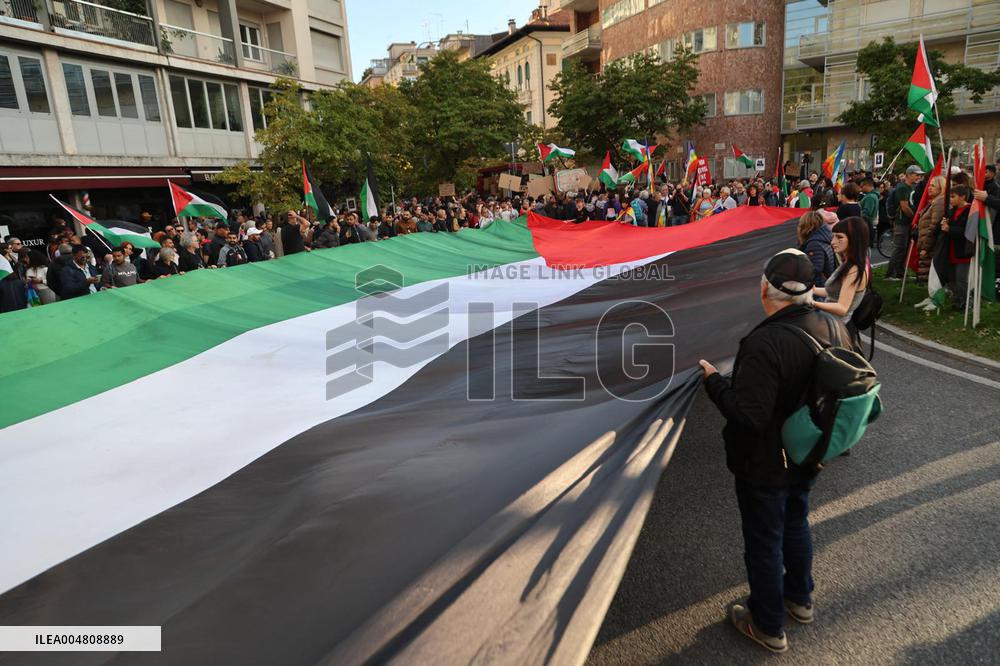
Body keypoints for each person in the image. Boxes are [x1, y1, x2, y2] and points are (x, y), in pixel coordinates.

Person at [699, 248, 851, 654]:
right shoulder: (834, 326)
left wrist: (715, 382)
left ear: (766, 287)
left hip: (765, 463)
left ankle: (767, 624)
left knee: (765, 540)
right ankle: (800, 599)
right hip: (810, 452)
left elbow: (749, 416)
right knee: (797, 521)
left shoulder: (765, 342)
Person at [812, 217, 870, 338]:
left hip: (837, 331)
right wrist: (813, 290)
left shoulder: (854, 269)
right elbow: (835, 292)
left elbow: (842, 308)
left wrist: (811, 302)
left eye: (839, 237)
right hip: (832, 326)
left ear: (854, 239)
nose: (833, 241)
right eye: (833, 236)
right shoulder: (849, 264)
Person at [938, 184, 972, 311]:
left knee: (961, 279)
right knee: (951, 278)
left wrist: (949, 229)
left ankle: (967, 303)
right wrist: (943, 225)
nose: (950, 200)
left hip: (963, 251)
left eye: (953, 197)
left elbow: (968, 231)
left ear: (963, 197)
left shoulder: (969, 210)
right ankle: (958, 301)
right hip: (951, 250)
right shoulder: (952, 211)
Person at [886, 165, 922, 279]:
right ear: (909, 174)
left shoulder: (910, 187)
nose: (918, 177)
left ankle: (900, 273)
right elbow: (904, 206)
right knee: (899, 248)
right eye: (916, 175)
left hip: (906, 223)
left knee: (905, 249)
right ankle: (890, 274)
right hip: (901, 222)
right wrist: (914, 218)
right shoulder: (902, 187)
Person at [914, 176, 946, 285]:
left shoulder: (939, 203)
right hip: (928, 243)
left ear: (941, 187)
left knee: (933, 277)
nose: (929, 188)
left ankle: (935, 298)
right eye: (929, 185)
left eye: (933, 186)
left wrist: (926, 247)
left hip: (932, 245)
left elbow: (933, 227)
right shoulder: (933, 202)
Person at [797, 211, 835, 285]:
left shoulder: (814, 244)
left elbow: (814, 269)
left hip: (818, 287)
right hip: (826, 283)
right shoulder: (824, 238)